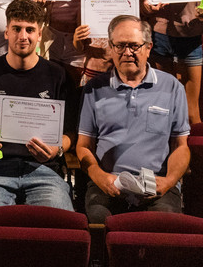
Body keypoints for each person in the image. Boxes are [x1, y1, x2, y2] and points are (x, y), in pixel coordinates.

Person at [0, 0, 74, 217]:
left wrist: (57, 149)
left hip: (44, 171)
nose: (23, 36)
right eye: (16, 29)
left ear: (40, 34)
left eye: (30, 30)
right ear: (6, 32)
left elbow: (70, 131)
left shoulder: (58, 75)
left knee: (61, 227)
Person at [76, 15, 190, 223]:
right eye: (120, 46)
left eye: (134, 46)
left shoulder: (172, 87)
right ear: (110, 48)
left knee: (162, 225)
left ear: (148, 48)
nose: (127, 52)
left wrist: (169, 181)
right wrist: (100, 177)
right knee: (98, 220)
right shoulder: (94, 89)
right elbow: (84, 146)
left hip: (157, 183)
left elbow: (180, 145)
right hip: (108, 182)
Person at [71, 0, 126, 84]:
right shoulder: (86, 7)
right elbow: (80, 48)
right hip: (92, 72)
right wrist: (77, 38)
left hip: (119, 73)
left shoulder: (126, 7)